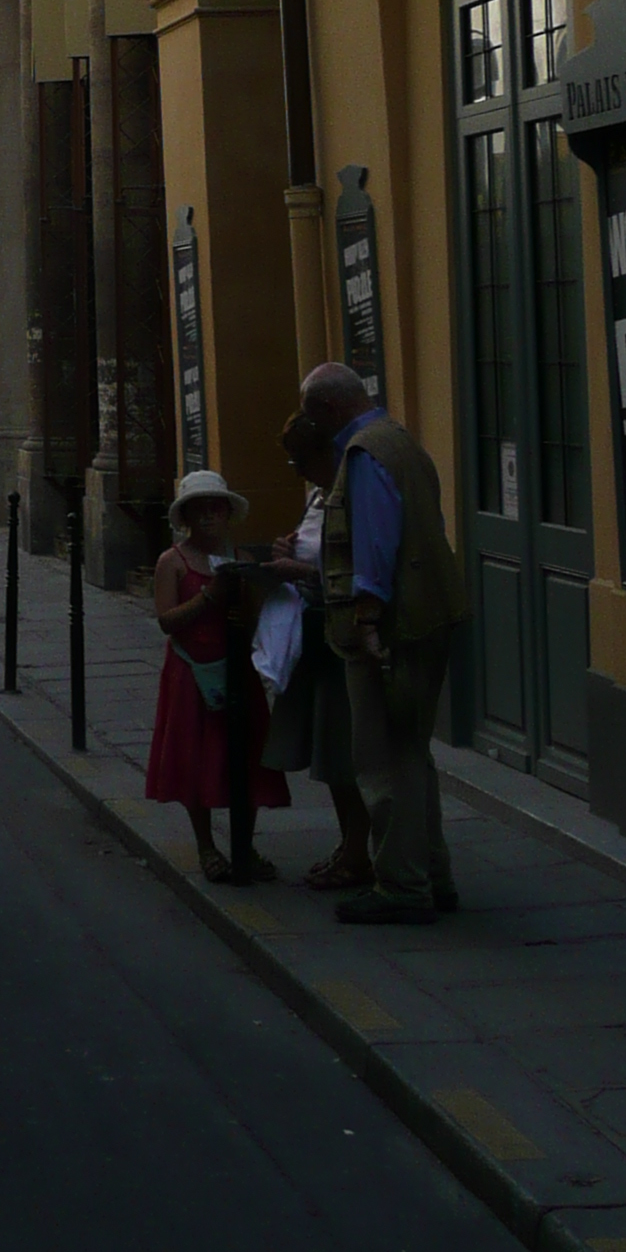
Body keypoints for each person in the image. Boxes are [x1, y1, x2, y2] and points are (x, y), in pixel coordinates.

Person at [299, 361, 470, 925]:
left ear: (327, 409)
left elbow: (374, 545)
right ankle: (432, 876)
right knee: (412, 754)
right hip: (431, 612)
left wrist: (368, 622)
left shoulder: (363, 455)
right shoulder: (400, 440)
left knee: (383, 759)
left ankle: (401, 885)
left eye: (311, 415)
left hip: (393, 626)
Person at [145, 467, 290, 884]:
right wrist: (211, 596)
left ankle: (244, 844)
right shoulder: (171, 562)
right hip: (191, 670)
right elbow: (167, 620)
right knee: (194, 757)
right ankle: (206, 845)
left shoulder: (238, 561)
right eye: (199, 510)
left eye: (215, 508)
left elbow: (250, 617)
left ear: (227, 514)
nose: (208, 517)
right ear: (186, 517)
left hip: (236, 669)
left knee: (245, 756)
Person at [260, 409, 372, 892]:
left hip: (343, 636)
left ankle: (359, 851)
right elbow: (313, 553)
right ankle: (349, 845)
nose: (299, 472)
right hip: (314, 638)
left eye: (301, 461)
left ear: (327, 453)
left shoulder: (353, 497)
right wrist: (286, 552)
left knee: (344, 754)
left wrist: (300, 573)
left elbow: (360, 575)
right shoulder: (317, 498)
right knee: (327, 756)